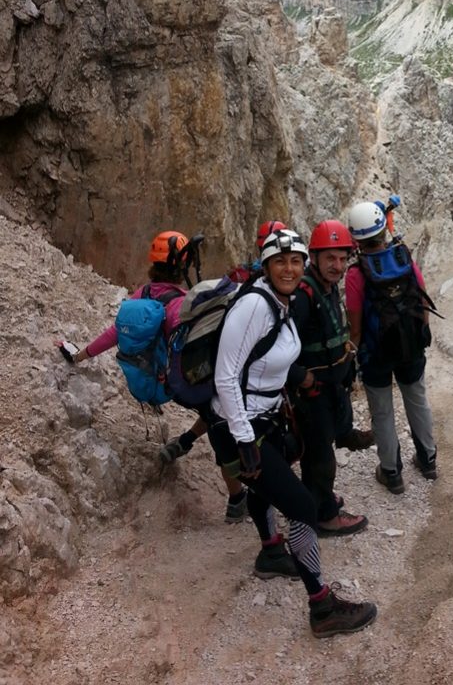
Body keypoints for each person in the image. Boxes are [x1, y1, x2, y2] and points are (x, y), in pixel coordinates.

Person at [207, 228, 377, 638]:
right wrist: (244, 439)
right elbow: (225, 376)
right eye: (280, 261)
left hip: (262, 418)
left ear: (304, 264)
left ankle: (271, 553)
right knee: (301, 507)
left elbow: (268, 365)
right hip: (239, 426)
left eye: (295, 261)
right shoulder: (254, 305)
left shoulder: (282, 302)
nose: (289, 268)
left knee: (267, 488)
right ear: (265, 266)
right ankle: (322, 607)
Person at [57, 230, 248, 523]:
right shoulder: (182, 303)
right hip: (178, 383)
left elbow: (114, 333)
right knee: (219, 414)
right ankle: (236, 499)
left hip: (158, 381)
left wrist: (80, 355)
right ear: (183, 265)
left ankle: (184, 441)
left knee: (212, 409)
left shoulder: (142, 295)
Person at [345, 201, 438, 495]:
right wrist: (421, 334)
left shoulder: (356, 274)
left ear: (356, 239)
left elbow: (355, 327)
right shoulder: (403, 256)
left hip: (376, 353)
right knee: (417, 400)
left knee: (382, 411)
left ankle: (391, 473)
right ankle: (428, 461)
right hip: (411, 346)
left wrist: (352, 355)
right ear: (384, 229)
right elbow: (422, 299)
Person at [290, 219, 373, 537]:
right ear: (314, 257)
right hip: (313, 392)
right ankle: (324, 516)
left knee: (320, 449)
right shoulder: (303, 296)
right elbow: (281, 347)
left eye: (342, 258)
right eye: (330, 258)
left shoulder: (325, 286)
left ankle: (317, 496)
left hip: (328, 386)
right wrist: (301, 378)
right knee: (320, 455)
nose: (337, 265)